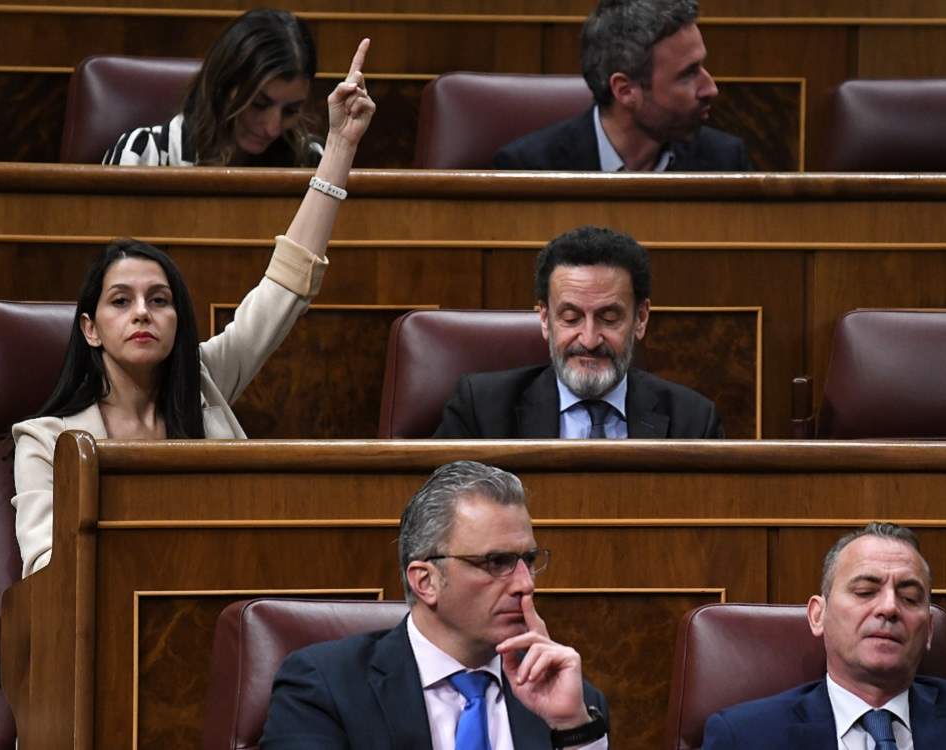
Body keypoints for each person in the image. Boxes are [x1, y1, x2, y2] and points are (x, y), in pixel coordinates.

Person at [11, 40, 375, 577]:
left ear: (179, 320)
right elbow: (44, 570)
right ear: (90, 329)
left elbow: (285, 285)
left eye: (159, 301)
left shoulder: (205, 384)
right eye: (121, 301)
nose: (142, 313)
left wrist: (341, 145)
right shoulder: (45, 441)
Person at [260, 460, 610, 749]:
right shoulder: (327, 687)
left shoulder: (569, 699)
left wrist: (573, 730)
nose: (525, 584)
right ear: (425, 582)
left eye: (528, 560)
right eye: (496, 562)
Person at [702, 522, 946, 750]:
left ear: (927, 629)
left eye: (910, 598)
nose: (889, 608)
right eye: (865, 591)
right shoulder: (744, 738)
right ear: (818, 615)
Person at [434, 225, 723, 439]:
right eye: (571, 318)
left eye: (609, 319)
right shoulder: (481, 411)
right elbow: (439, 515)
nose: (589, 339)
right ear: (545, 319)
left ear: (641, 319)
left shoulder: (694, 422)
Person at [493, 0, 752, 172]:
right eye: (688, 74)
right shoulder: (530, 168)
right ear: (625, 90)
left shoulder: (726, 161)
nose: (711, 89)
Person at [104, 9, 321, 167]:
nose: (272, 128)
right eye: (258, 104)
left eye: (291, 111)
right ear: (222, 86)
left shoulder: (311, 161)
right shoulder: (142, 154)